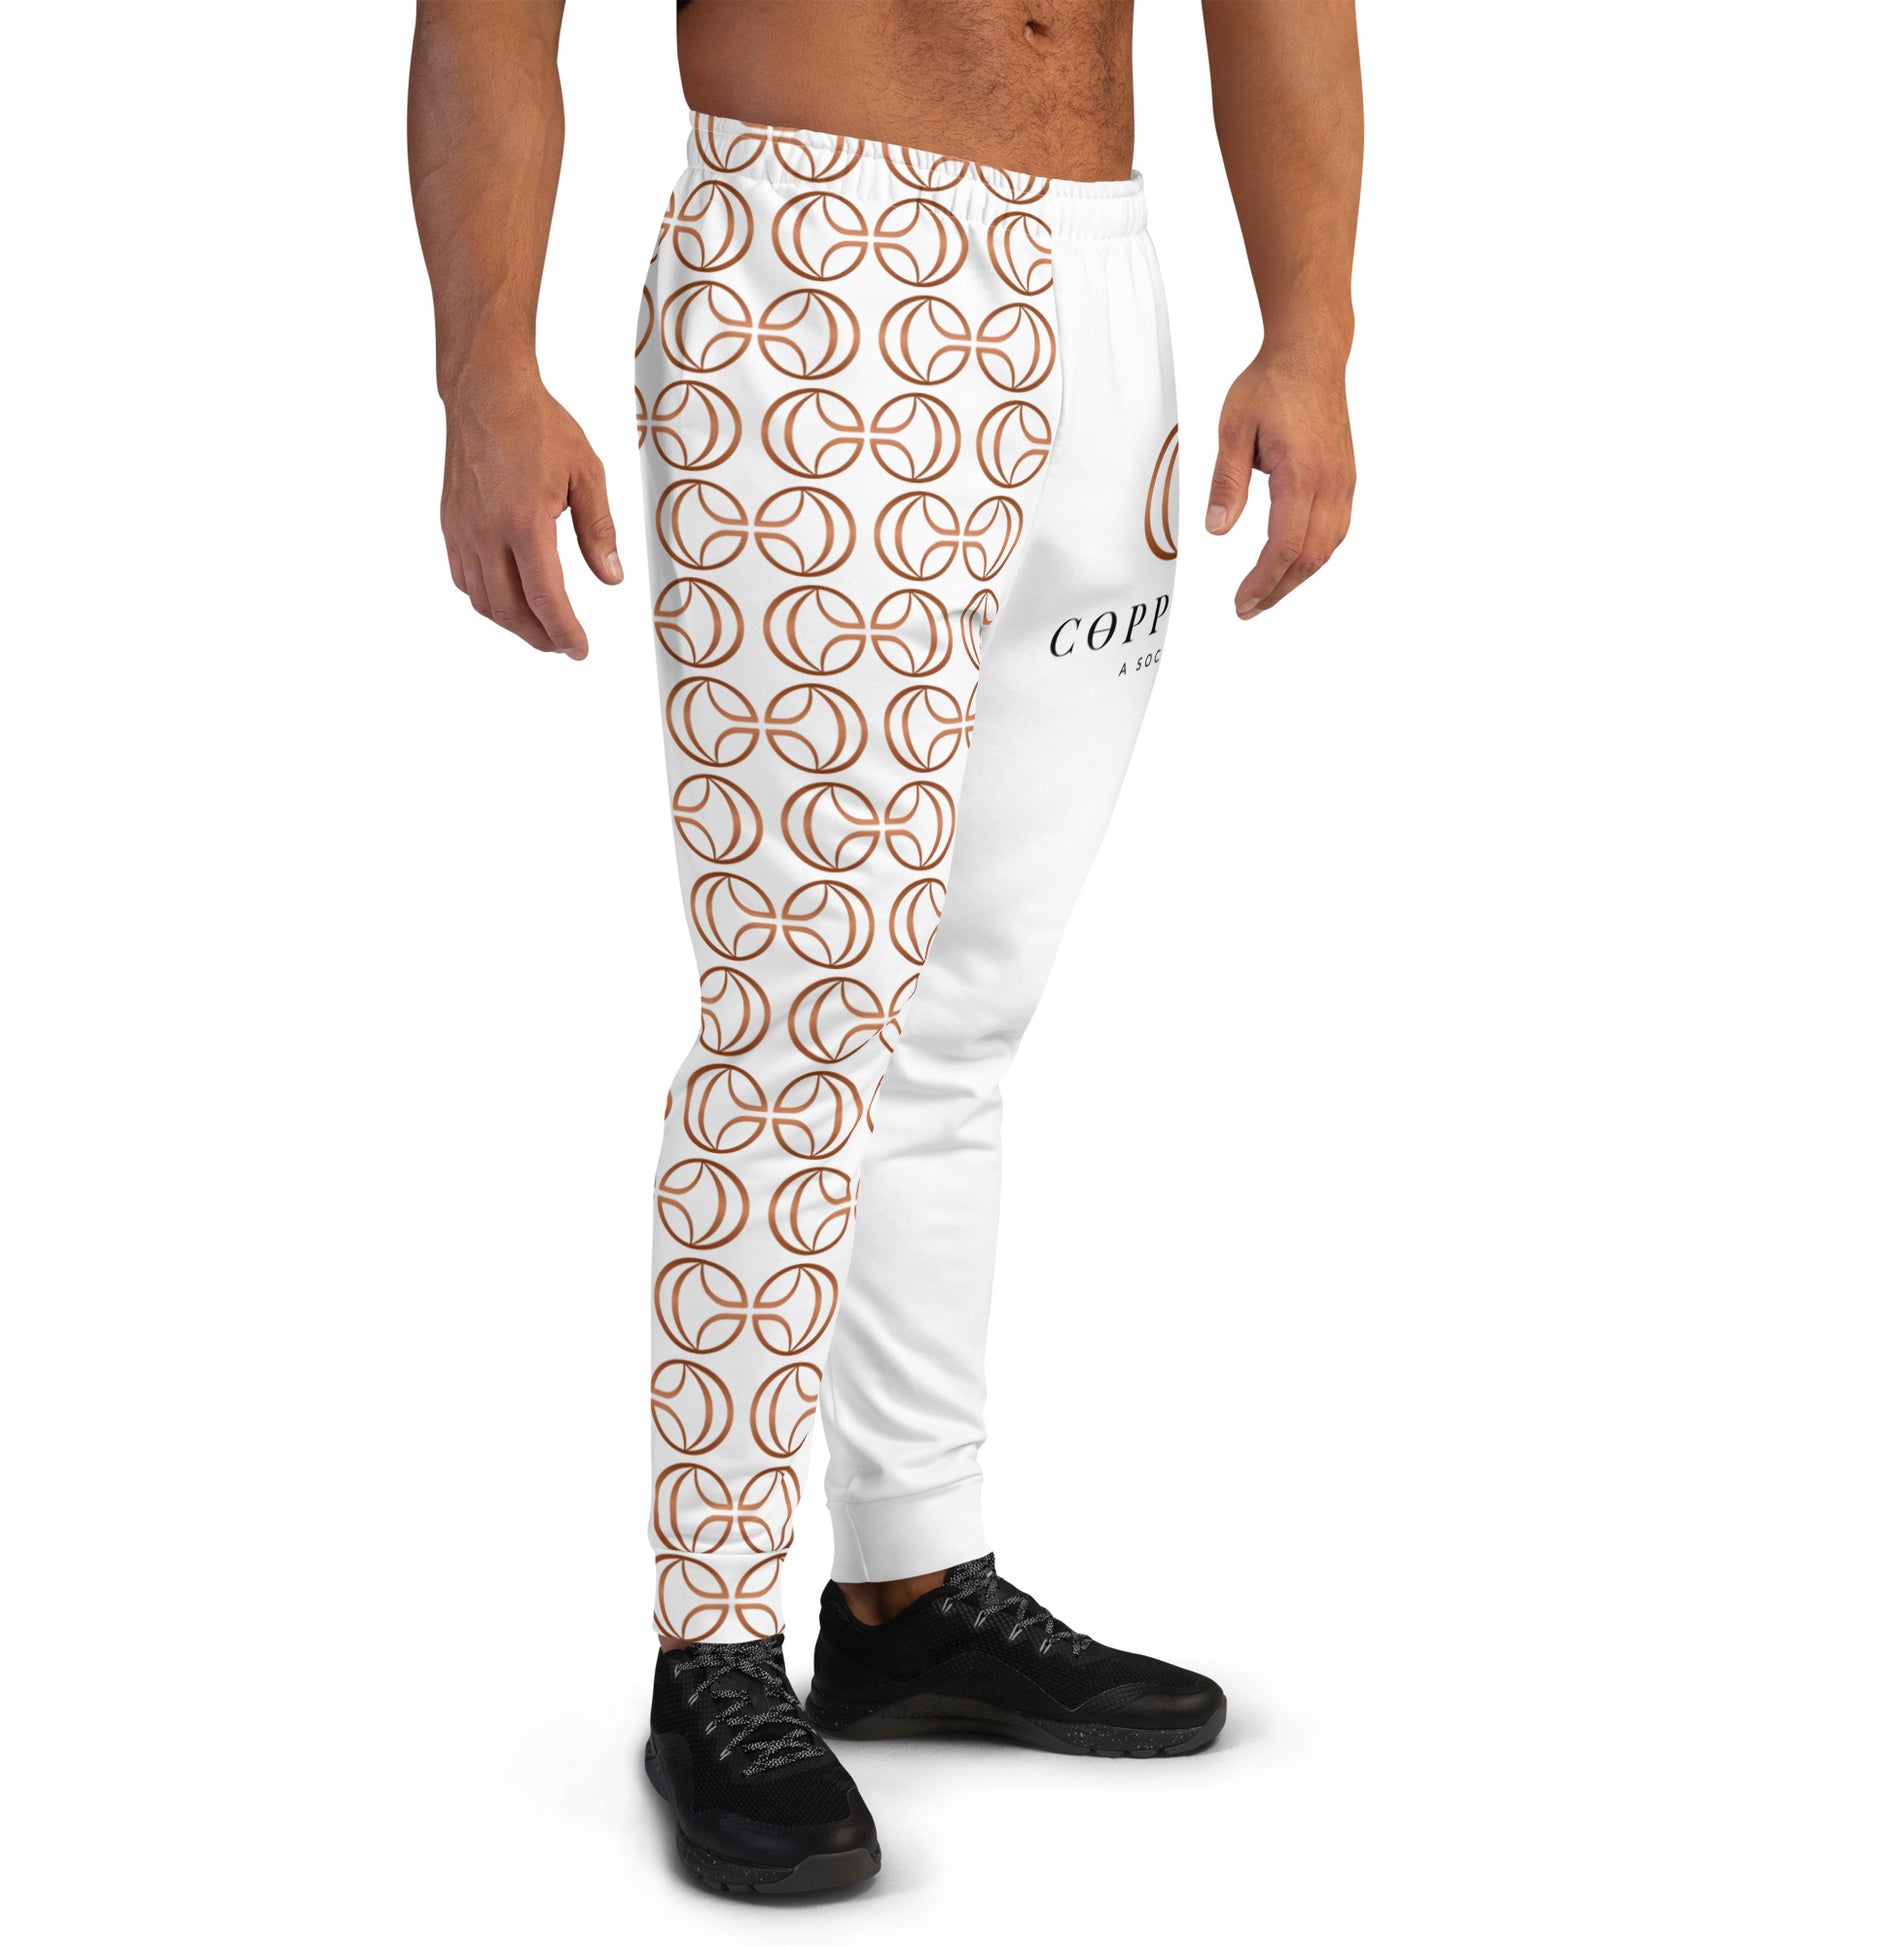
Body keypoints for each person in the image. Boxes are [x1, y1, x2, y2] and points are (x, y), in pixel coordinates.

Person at [407, 0, 1360, 1895]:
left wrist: (1310, 328)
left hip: (1110, 285)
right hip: (821, 266)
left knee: (962, 1012)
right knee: (801, 1016)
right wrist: (485, 373)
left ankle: (909, 1588)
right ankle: (712, 1642)